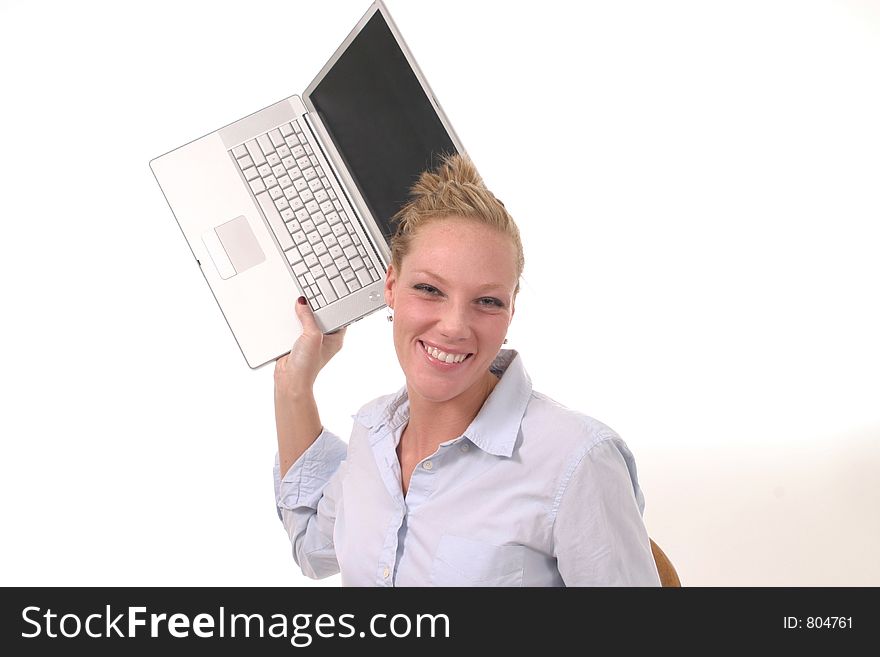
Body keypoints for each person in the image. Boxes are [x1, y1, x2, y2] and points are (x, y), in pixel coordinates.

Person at [272, 154, 661, 586]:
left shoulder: (576, 459)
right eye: (429, 289)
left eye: (488, 301)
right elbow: (313, 550)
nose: (455, 326)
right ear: (391, 286)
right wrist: (293, 385)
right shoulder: (373, 435)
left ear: (512, 310)